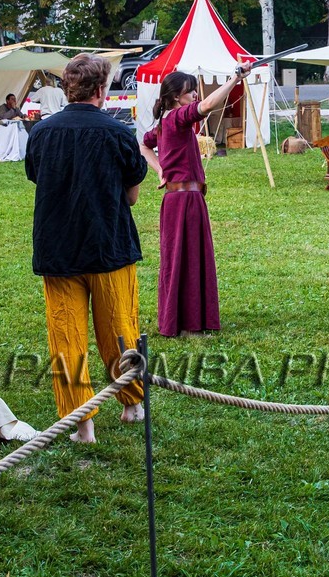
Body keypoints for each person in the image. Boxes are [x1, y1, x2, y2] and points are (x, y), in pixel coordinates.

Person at [24, 54, 148, 444]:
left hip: (58, 248)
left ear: (68, 88)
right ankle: (131, 404)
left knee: (67, 337)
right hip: (108, 245)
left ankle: (82, 425)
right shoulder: (118, 133)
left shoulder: (41, 133)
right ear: (100, 89)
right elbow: (131, 196)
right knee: (120, 331)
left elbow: (37, 178)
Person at [140, 64, 254, 337]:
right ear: (176, 97)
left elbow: (143, 144)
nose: (193, 95)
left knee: (186, 258)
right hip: (184, 201)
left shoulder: (165, 122)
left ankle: (186, 320)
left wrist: (161, 170)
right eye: (189, 91)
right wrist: (234, 78)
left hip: (183, 199)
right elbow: (208, 105)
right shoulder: (177, 118)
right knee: (185, 258)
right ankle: (187, 324)